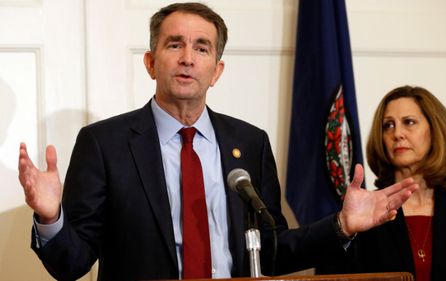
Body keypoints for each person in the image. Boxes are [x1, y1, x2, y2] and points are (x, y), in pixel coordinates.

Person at [18, 3, 418, 281]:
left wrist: (342, 226)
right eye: (174, 44)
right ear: (151, 61)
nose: (188, 57)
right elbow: (71, 264)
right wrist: (51, 218)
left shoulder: (249, 143)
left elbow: (272, 251)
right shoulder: (105, 144)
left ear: (217, 70)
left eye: (201, 47)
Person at [318, 85, 446, 281]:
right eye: (388, 125)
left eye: (409, 122)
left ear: (435, 130)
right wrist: (343, 230)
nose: (397, 134)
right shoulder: (363, 213)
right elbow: (329, 277)